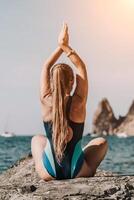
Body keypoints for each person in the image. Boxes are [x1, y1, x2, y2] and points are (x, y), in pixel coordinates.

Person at [31, 23, 108, 181]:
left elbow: (46, 67)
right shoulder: (78, 103)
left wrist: (59, 47)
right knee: (101, 142)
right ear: (72, 82)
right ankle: (87, 169)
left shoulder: (46, 100)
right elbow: (81, 67)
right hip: (77, 171)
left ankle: (41, 167)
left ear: (52, 82)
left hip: (49, 173)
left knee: (36, 139)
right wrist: (65, 46)